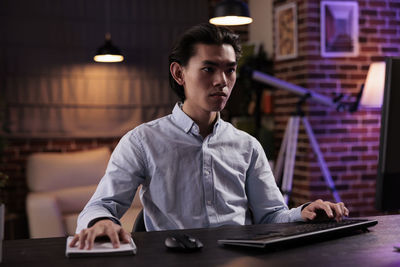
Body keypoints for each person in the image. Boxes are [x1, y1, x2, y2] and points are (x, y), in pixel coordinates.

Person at [70, 23, 349, 250]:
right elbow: (99, 206)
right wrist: (101, 222)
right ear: (179, 73)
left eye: (230, 69)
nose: (222, 81)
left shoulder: (247, 146)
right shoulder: (142, 141)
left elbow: (270, 216)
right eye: (209, 69)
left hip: (241, 259)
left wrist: (303, 212)